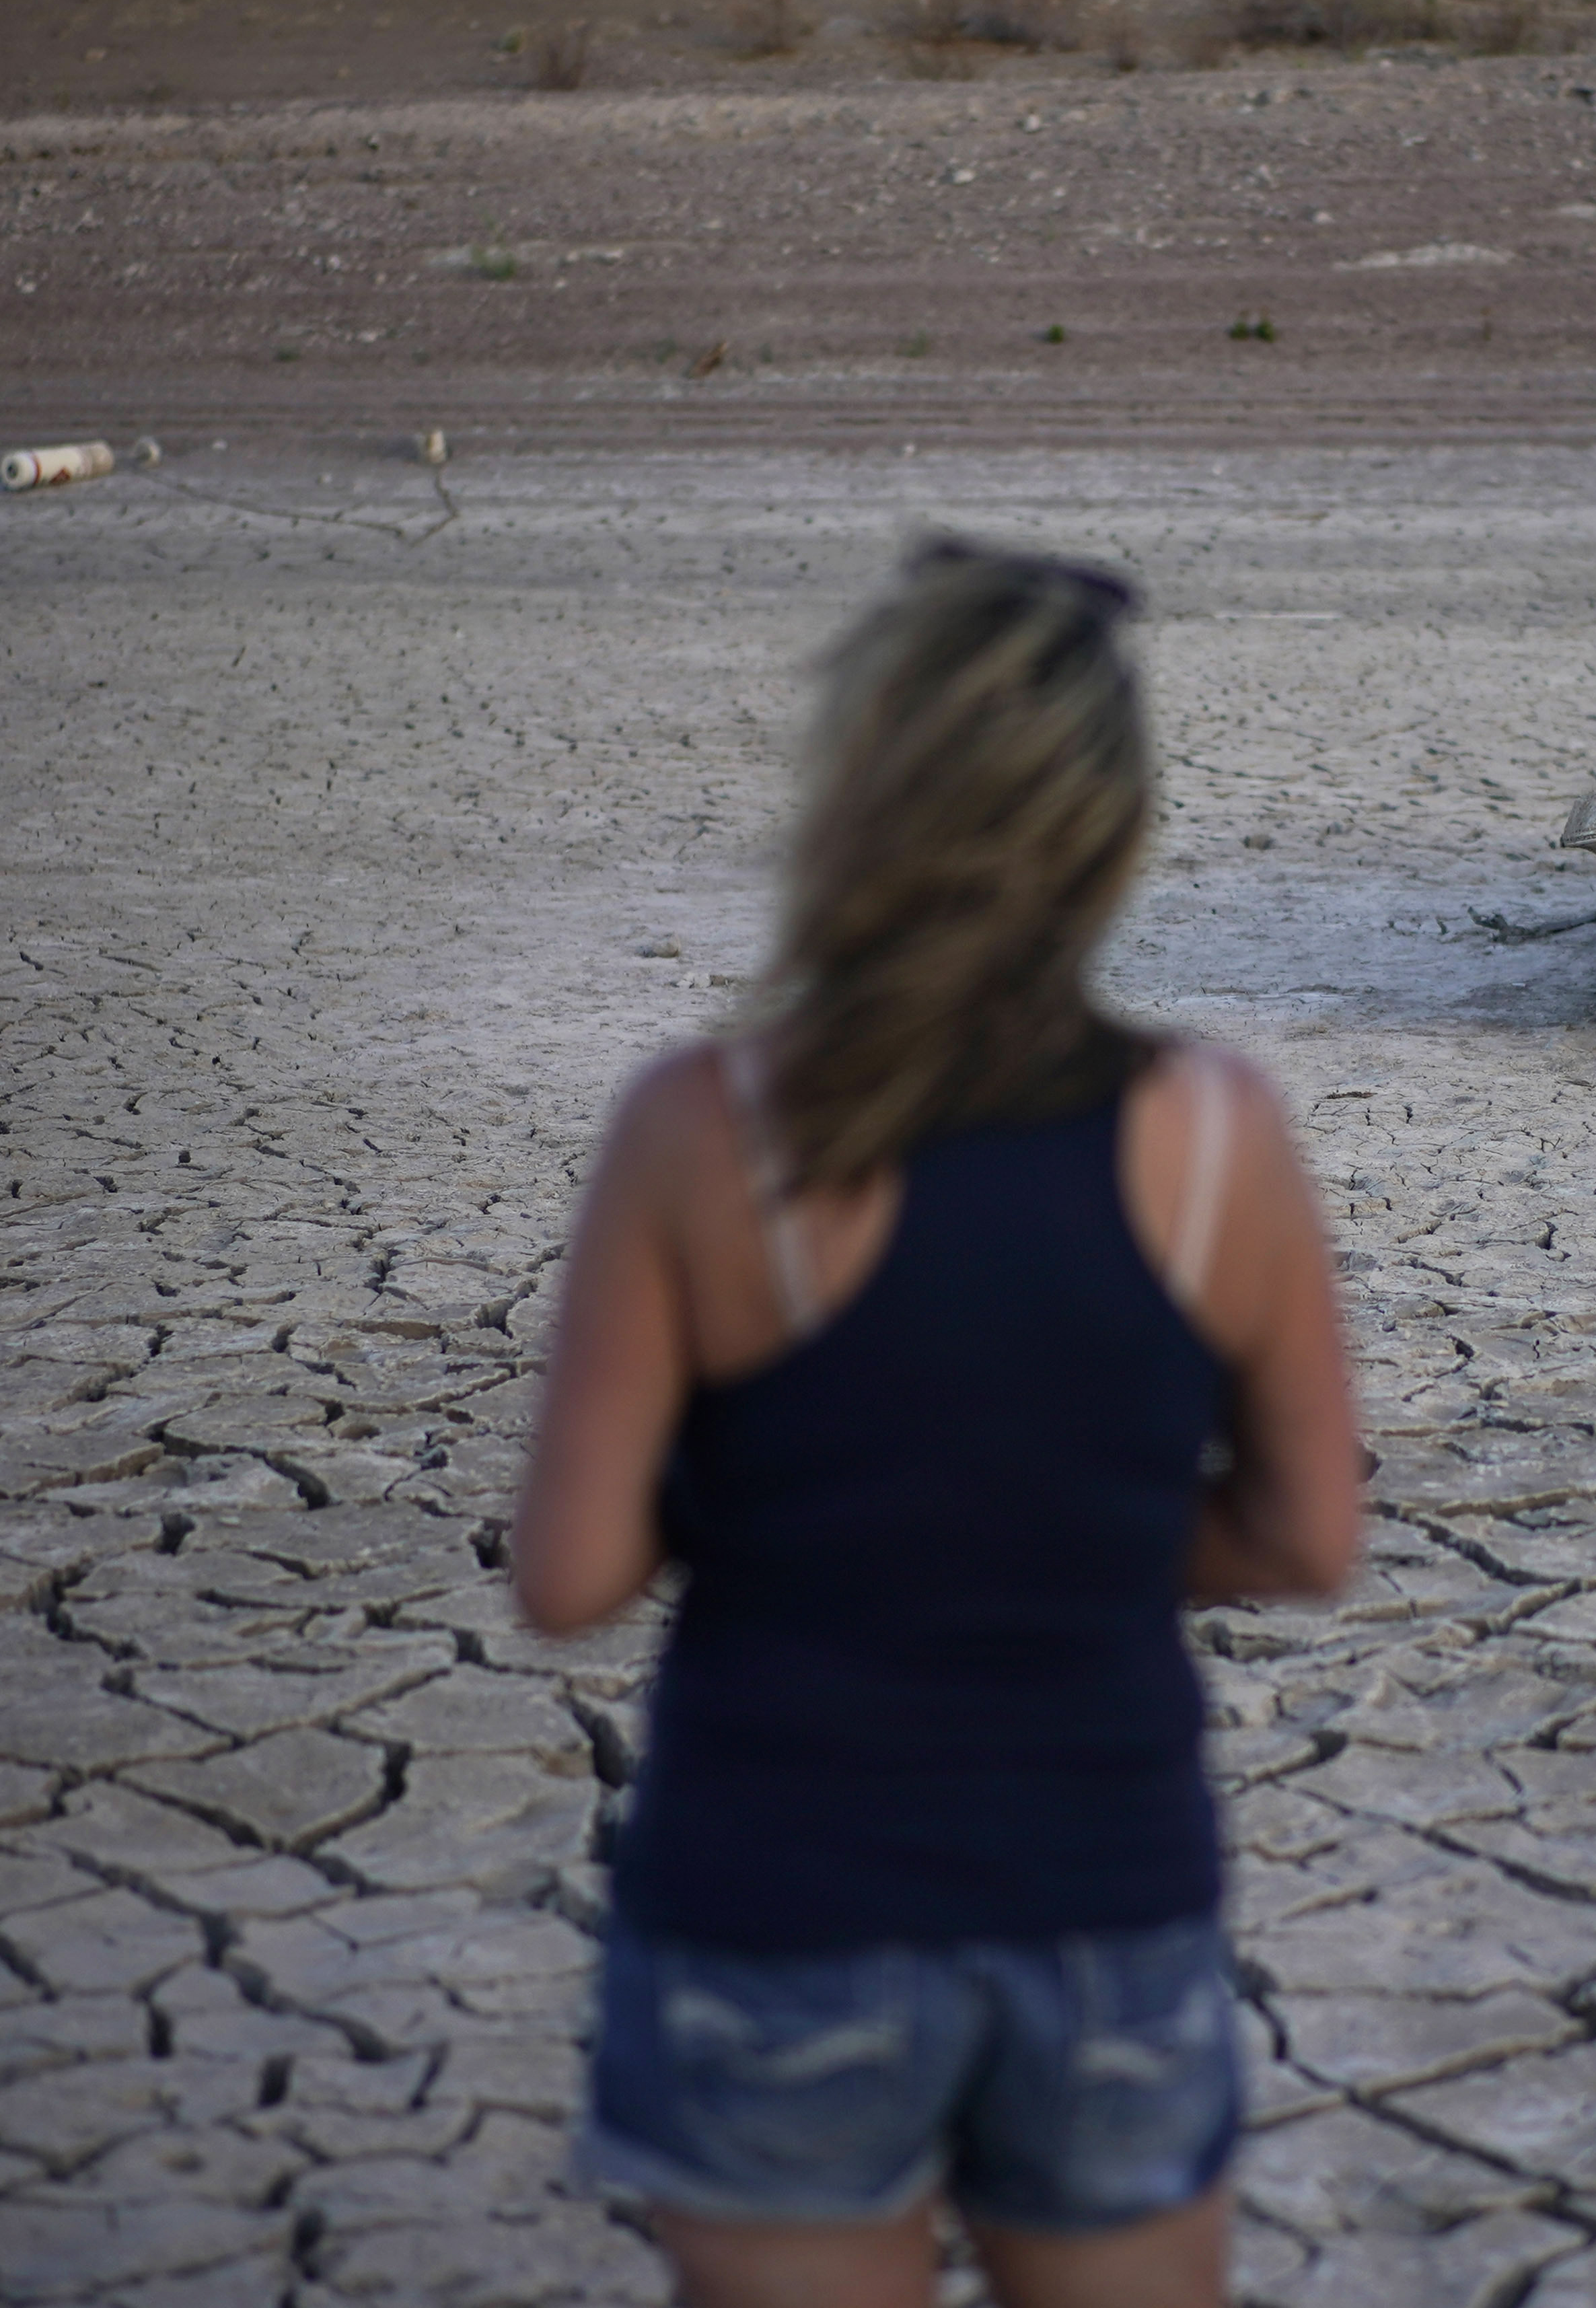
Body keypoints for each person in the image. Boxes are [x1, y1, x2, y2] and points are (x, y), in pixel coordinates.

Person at [509, 542, 1366, 2308]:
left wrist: (798, 1506)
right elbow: (1305, 1536)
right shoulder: (1220, 1143)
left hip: (780, 1912)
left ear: (859, 801)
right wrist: (1081, 1531)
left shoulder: (702, 1133)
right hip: (1103, 1911)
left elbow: (571, 1574)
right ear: (1108, 833)